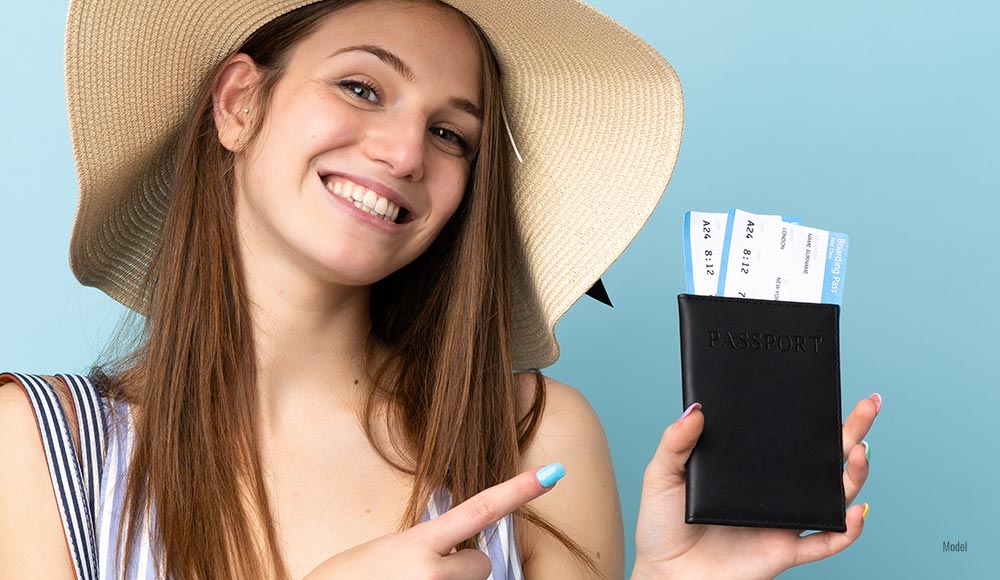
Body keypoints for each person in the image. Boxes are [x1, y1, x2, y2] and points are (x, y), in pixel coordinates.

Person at [0, 0, 880, 578]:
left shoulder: (532, 439)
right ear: (238, 103)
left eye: (453, 134)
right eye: (360, 86)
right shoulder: (34, 450)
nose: (405, 153)